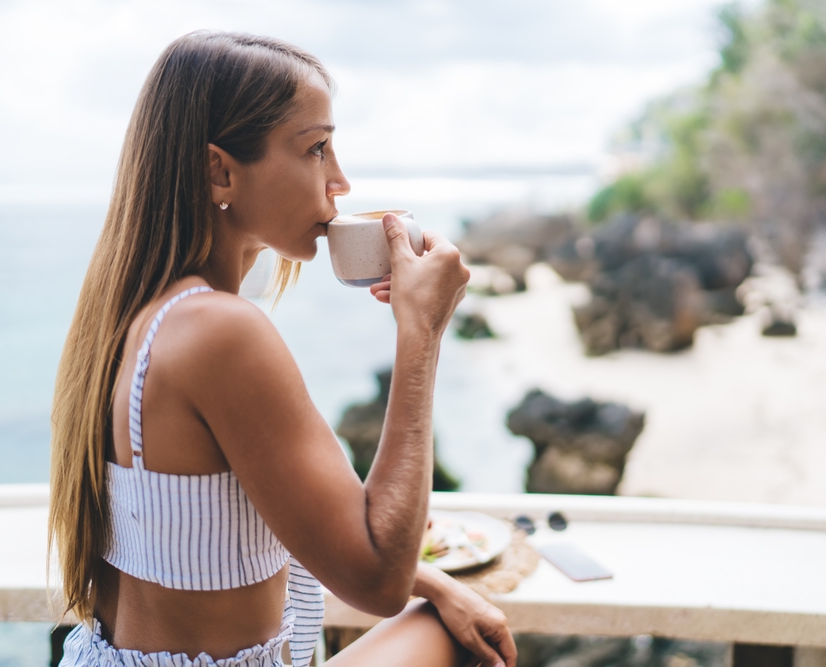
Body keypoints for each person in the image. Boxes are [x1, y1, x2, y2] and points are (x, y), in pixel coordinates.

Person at [49, 31, 517, 667]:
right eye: (316, 149)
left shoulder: (135, 313)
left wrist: (434, 580)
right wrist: (421, 334)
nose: (340, 182)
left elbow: (250, 521)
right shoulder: (221, 331)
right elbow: (377, 577)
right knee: (465, 647)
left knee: (448, 614)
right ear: (221, 169)